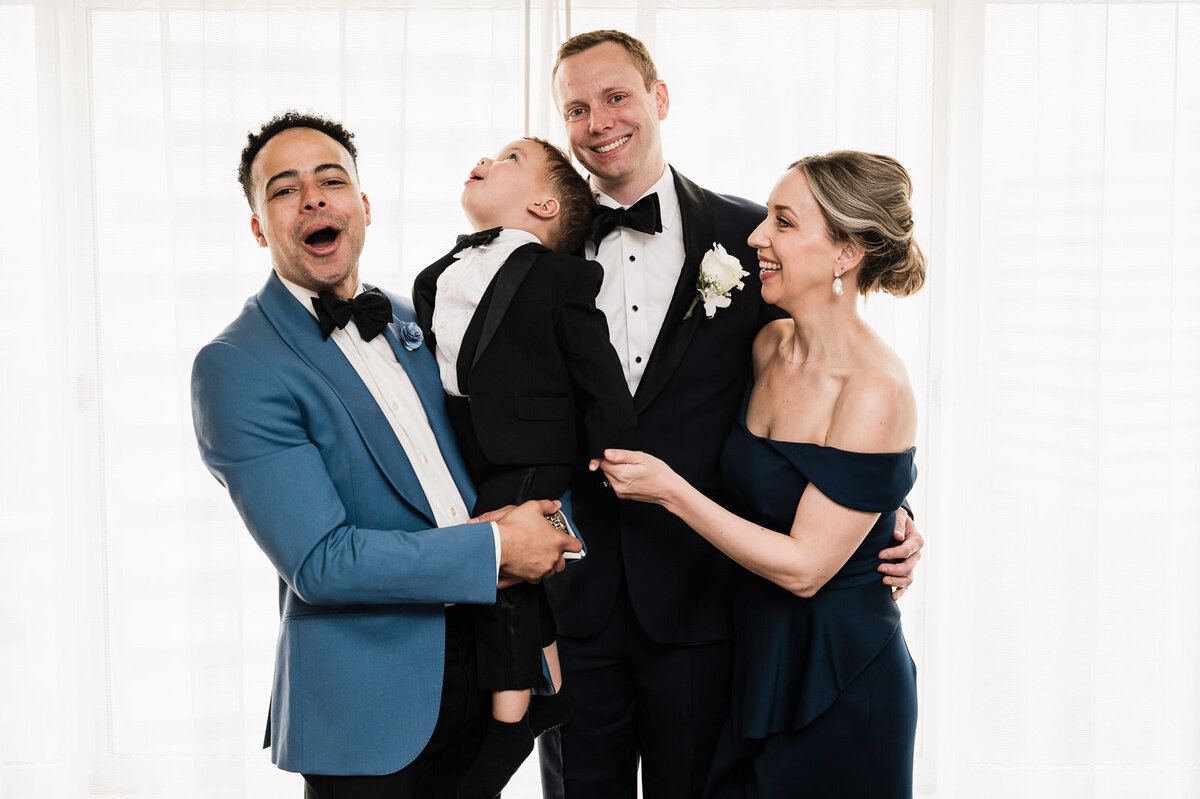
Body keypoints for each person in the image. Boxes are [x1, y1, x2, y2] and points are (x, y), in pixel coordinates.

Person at [539, 30, 926, 799]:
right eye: (576, 108)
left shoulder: (748, 242)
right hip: (576, 602)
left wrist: (893, 514)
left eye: (616, 96)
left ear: (659, 98)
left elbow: (847, 392)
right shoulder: (534, 249)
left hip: (706, 609)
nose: (599, 121)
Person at [190, 111, 581, 799]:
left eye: (331, 180)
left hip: (488, 667)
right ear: (258, 228)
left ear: (363, 206)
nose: (313, 199)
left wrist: (548, 521)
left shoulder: (417, 316)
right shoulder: (235, 364)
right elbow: (321, 561)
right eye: (285, 190)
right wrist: (496, 549)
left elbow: (512, 435)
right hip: (368, 711)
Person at [411, 136, 641, 799]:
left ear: (543, 205)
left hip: (536, 450)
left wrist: (612, 446)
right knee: (505, 574)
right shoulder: (437, 275)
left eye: (510, 158)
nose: (486, 159)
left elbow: (595, 367)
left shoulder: (559, 276)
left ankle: (509, 727)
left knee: (502, 571)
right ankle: (551, 694)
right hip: (470, 457)